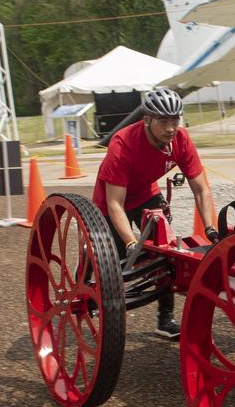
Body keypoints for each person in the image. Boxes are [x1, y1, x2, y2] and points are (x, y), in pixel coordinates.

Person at [92, 87, 217, 339]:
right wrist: (129, 242)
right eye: (163, 121)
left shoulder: (180, 140)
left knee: (165, 253)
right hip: (112, 202)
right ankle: (92, 283)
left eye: (175, 120)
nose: (170, 128)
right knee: (116, 261)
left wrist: (210, 228)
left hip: (145, 194)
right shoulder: (123, 143)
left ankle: (165, 319)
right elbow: (115, 203)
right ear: (146, 119)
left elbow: (201, 188)